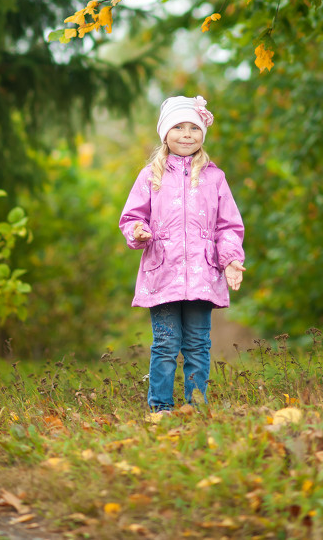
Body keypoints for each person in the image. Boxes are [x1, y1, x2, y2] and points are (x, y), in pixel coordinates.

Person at [119, 95, 245, 412]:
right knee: (165, 344)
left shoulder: (215, 178)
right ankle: (161, 407)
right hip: (162, 274)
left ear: (202, 133)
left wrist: (230, 259)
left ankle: (195, 405)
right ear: (165, 133)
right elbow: (131, 217)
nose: (186, 134)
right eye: (178, 127)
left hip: (202, 275)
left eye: (193, 127)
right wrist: (138, 231)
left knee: (198, 344)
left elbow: (228, 225)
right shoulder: (150, 176)